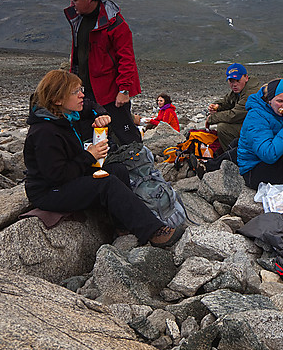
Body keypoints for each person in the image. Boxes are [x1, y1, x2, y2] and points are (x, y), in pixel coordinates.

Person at [23, 69, 179, 247]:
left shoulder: (66, 114)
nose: (82, 95)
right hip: (49, 192)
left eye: (81, 89)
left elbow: (91, 105)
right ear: (57, 99)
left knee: (118, 169)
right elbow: (57, 175)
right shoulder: (45, 132)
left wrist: (101, 115)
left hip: (66, 178)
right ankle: (153, 231)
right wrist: (89, 155)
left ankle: (122, 226)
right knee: (107, 184)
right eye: (76, 92)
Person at [65, 0, 142, 146]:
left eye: (75, 0)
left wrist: (124, 89)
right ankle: (98, 165)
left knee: (124, 131)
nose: (72, 5)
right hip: (87, 88)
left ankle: (139, 162)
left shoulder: (115, 23)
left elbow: (127, 58)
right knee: (87, 130)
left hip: (111, 91)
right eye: (71, 0)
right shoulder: (79, 18)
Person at [206, 63, 260, 151]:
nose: (234, 84)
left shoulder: (251, 93)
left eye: (237, 80)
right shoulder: (241, 89)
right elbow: (227, 100)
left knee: (223, 128)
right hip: (249, 123)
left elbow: (234, 115)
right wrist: (217, 106)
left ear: (246, 78)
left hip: (258, 127)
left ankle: (233, 156)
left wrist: (211, 119)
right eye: (231, 81)